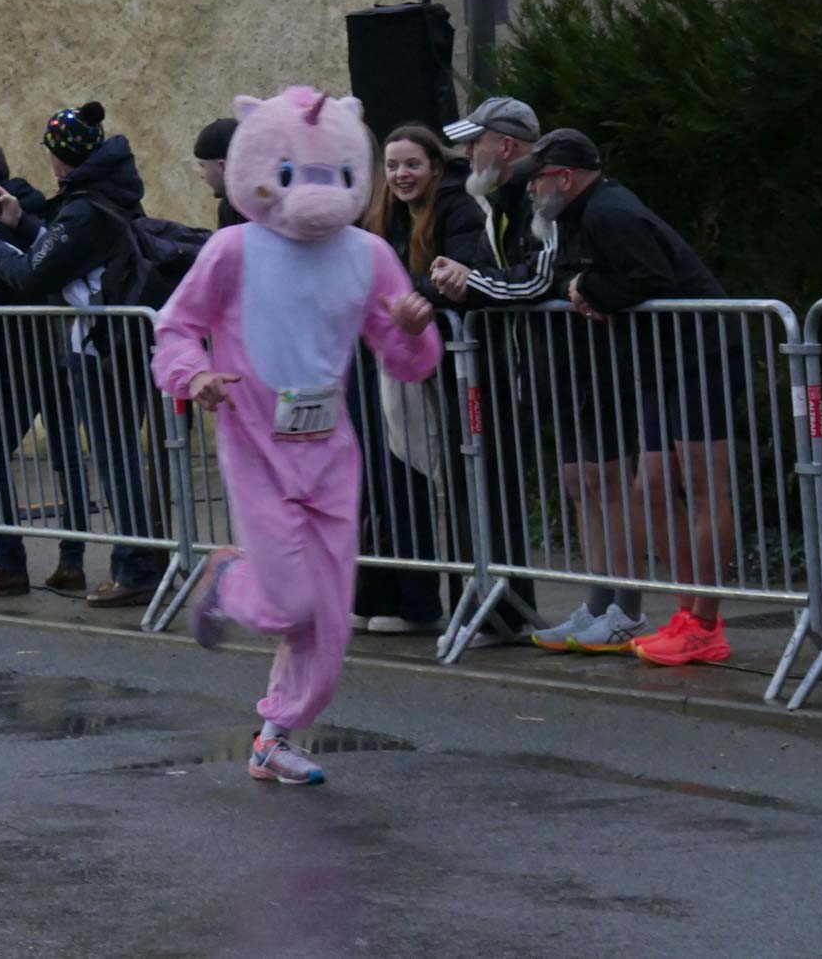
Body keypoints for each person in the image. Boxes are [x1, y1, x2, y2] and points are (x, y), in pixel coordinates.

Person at [156, 86, 442, 785]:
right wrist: (194, 375)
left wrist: (412, 329)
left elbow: (405, 361)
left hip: (331, 452)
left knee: (329, 622)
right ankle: (228, 580)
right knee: (289, 603)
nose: (316, 193)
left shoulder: (369, 254)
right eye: (292, 174)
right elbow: (176, 326)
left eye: (336, 174)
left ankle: (274, 736)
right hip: (257, 444)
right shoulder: (232, 249)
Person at [507, 130, 741, 664]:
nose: (531, 191)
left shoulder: (609, 212)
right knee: (650, 486)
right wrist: (581, 287)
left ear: (565, 177)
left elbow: (649, 279)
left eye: (537, 180)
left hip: (700, 352)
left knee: (704, 485)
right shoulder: (578, 216)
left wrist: (587, 290)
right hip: (662, 360)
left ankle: (706, 624)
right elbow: (582, 277)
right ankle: (687, 612)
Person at [0, 101, 162, 608]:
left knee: (115, 459)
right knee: (116, 456)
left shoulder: (83, 207)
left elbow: (32, 274)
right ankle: (137, 563)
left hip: (101, 348)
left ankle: (136, 569)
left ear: (60, 155)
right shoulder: (106, 192)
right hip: (114, 343)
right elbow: (63, 255)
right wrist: (21, 221)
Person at [352, 123, 490, 633]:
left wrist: (397, 295)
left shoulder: (458, 207)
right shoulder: (384, 213)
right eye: (392, 166)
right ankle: (394, 596)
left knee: (443, 479)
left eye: (412, 164)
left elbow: (453, 278)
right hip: (393, 362)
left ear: (435, 167)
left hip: (449, 365)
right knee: (389, 479)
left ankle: (445, 605)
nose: (401, 174)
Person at [425, 96, 547, 645]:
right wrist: (447, 280)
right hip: (506, 364)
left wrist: (467, 281)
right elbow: (478, 268)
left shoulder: (536, 195)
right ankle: (496, 608)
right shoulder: (497, 199)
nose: (467, 153)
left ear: (507, 145)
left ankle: (514, 609)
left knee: (572, 485)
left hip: (534, 364)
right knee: (486, 483)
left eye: (476, 142)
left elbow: (537, 277)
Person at [0, 138, 88, 599]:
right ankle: (73, 559)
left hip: (11, 356)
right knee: (67, 456)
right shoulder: (38, 209)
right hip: (54, 346)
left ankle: (11, 564)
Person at [193, 117, 247, 228]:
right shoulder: (226, 208)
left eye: (203, 166)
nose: (202, 175)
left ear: (222, 166)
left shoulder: (263, 205)